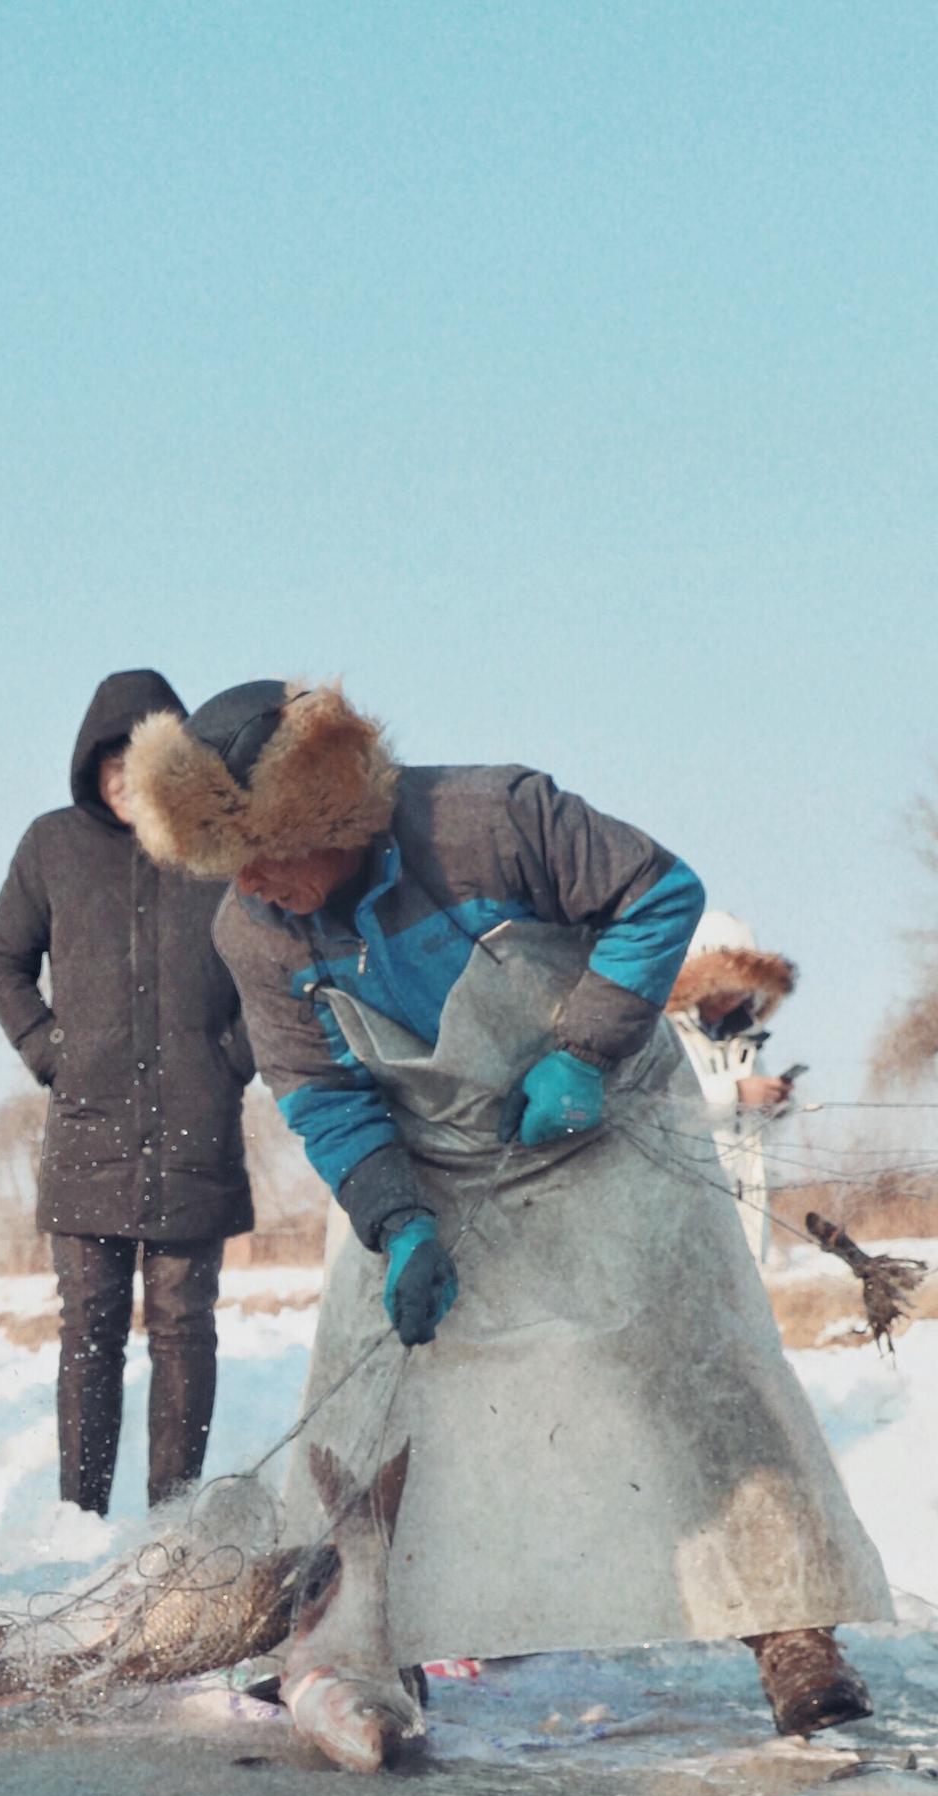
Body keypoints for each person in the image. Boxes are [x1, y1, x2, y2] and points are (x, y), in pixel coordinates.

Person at [126, 680, 889, 1742]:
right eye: (227, 865)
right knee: (368, 1398)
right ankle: (364, 1650)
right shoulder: (254, 931)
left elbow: (658, 894)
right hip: (429, 1156)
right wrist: (395, 1221)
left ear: (330, 817)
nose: (250, 883)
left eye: (267, 852)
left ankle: (791, 1634)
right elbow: (322, 1096)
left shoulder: (487, 822)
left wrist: (581, 1048)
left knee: (688, 1362)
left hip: (603, 1119)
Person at [0, 672, 254, 1516]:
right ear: (91, 768)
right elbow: (2, 963)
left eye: (143, 767)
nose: (126, 786)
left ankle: (171, 1522)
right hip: (89, 1133)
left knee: (183, 1326)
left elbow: (274, 965)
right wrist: (49, 1049)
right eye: (112, 769)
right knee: (89, 1331)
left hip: (195, 1132)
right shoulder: (51, 845)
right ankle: (81, 1519)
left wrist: (229, 1057)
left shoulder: (218, 851)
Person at [667, 910, 798, 1263]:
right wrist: (736, 1094)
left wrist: (775, 1105)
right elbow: (658, 1109)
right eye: (722, 983)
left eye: (745, 986)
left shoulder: (745, 1043)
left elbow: (757, 1136)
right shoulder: (663, 1034)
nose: (734, 996)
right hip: (680, 1212)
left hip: (744, 1209)